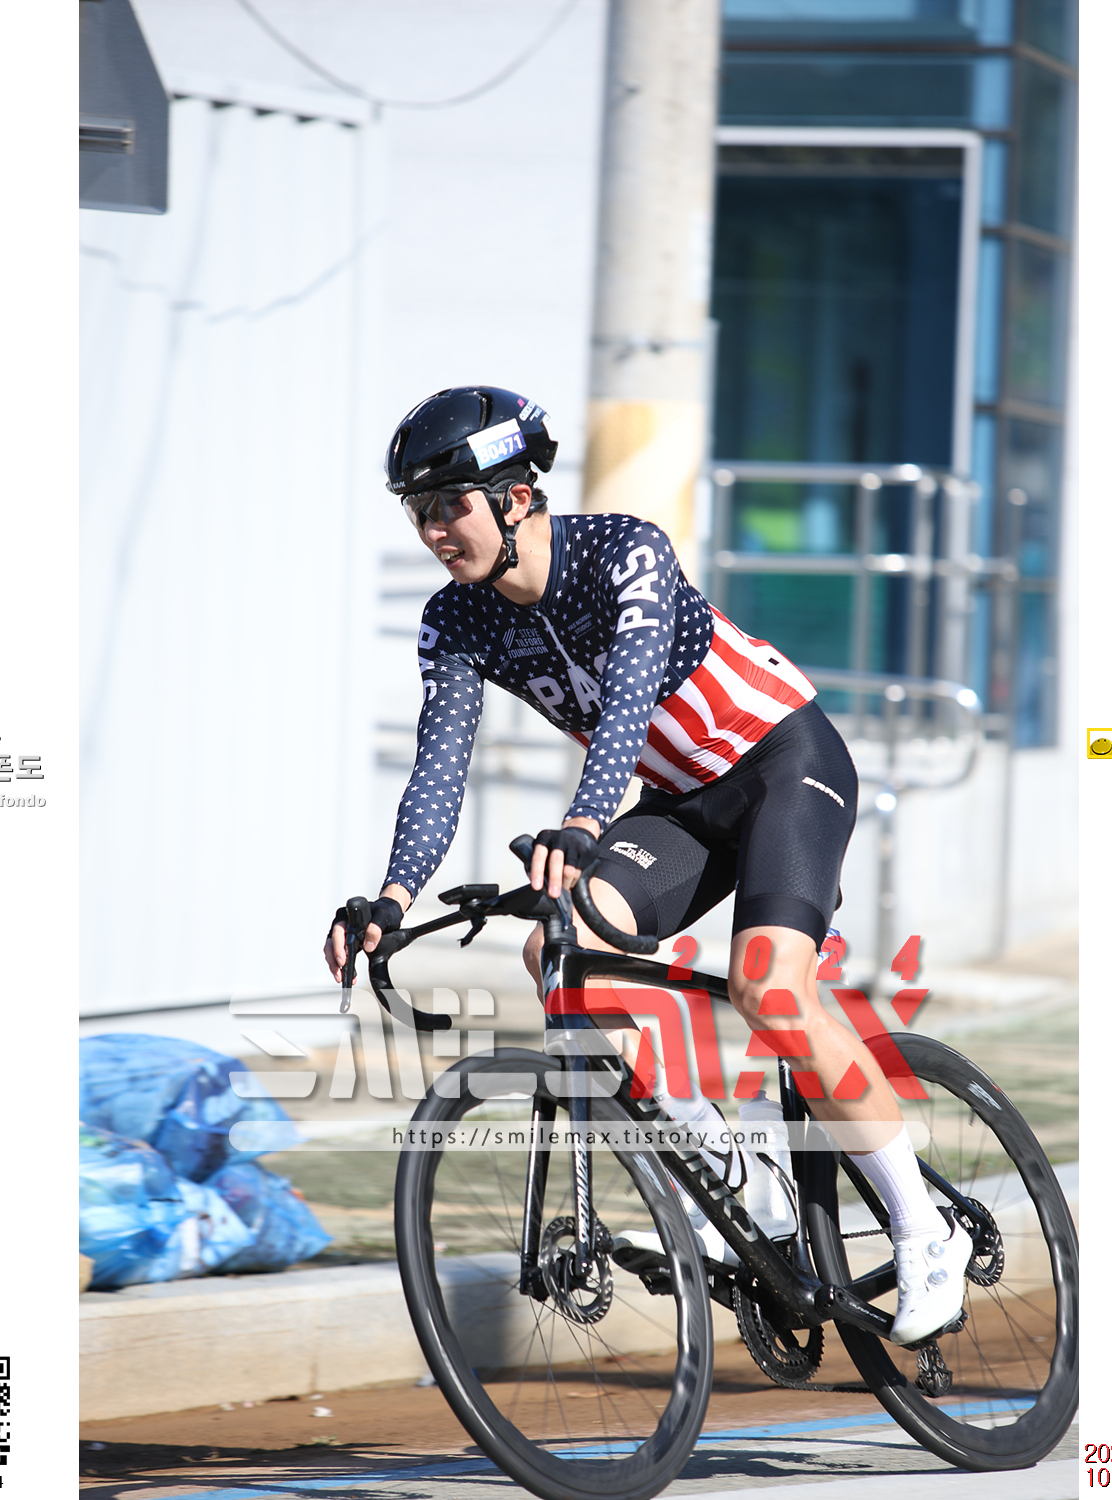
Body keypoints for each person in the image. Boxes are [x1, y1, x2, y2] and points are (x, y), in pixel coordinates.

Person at [326, 386, 970, 1345]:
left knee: (770, 989)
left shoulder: (623, 551)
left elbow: (627, 703)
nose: (432, 531)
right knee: (561, 961)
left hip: (781, 759)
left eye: (449, 504)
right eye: (418, 511)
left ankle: (926, 1232)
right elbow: (439, 764)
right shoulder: (457, 620)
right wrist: (389, 899)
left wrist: (585, 821)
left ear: (515, 497)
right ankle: (734, 1176)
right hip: (683, 806)